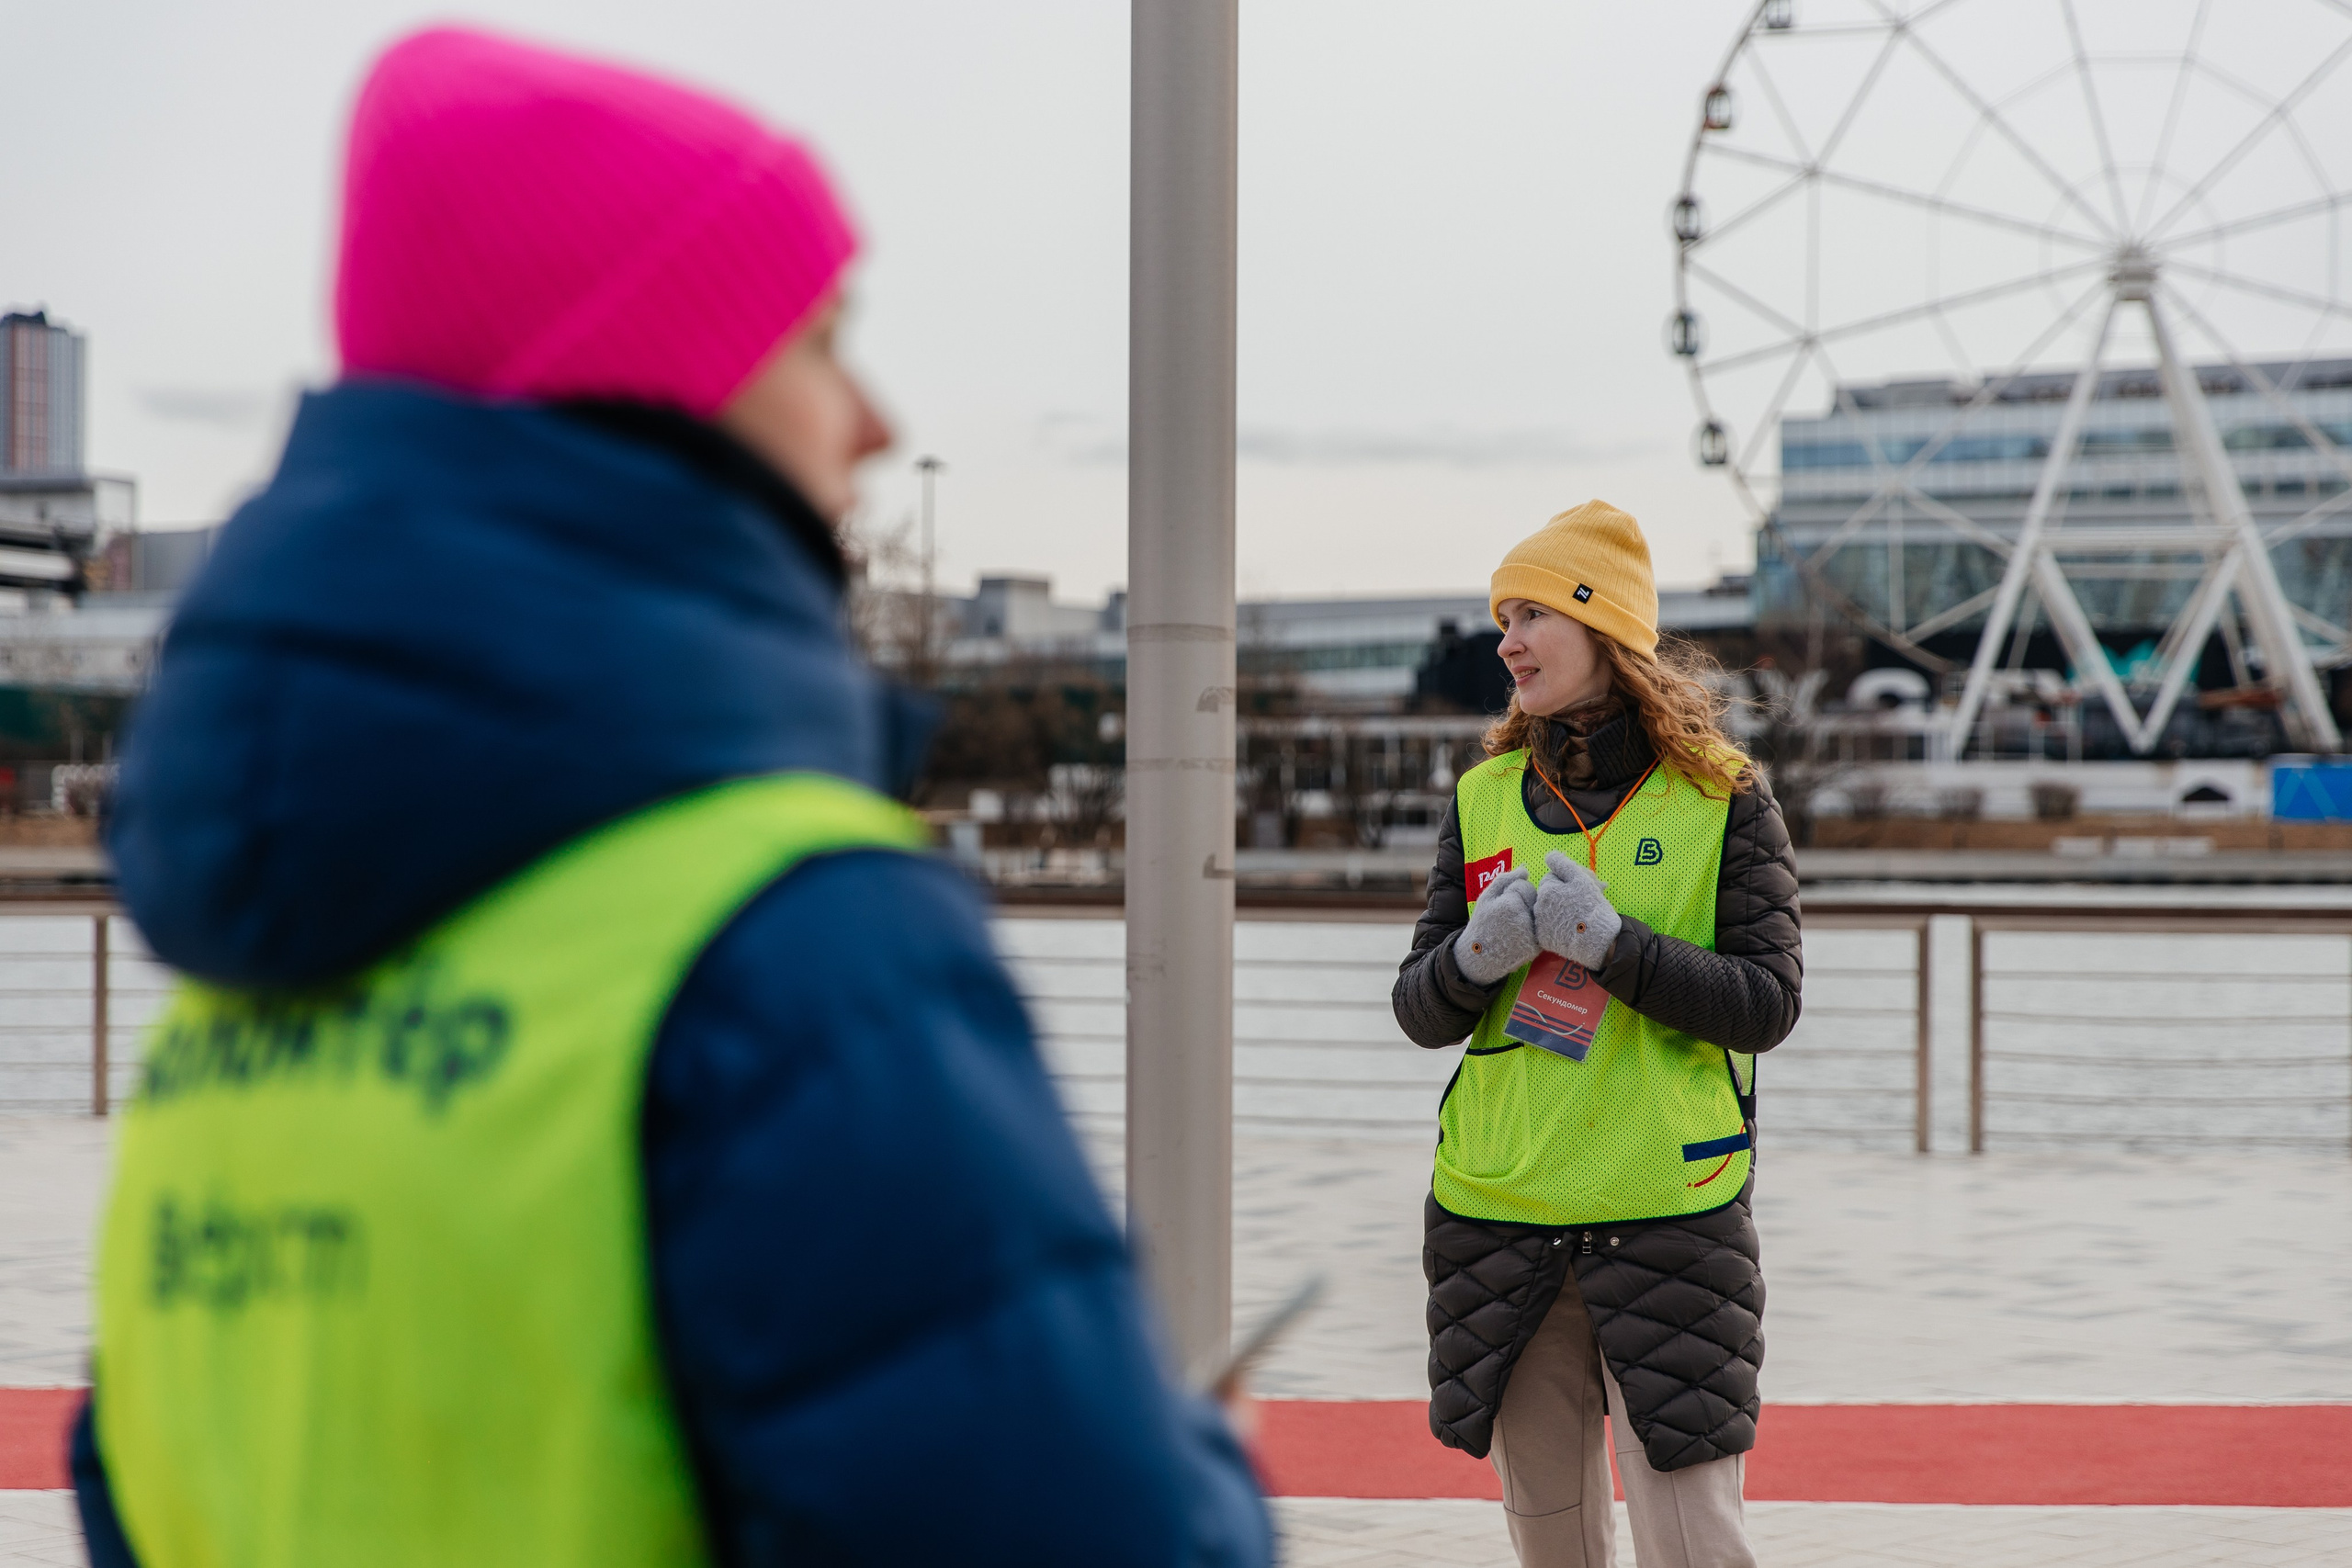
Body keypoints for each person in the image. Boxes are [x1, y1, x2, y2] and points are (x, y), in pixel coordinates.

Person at [72, 28, 1271, 1568]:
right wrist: (1196, 1477)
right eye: (822, 336)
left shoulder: (227, 1008)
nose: (876, 416)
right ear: (669, 373)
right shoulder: (796, 942)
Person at [1391, 501, 1802, 1568]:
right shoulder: (1482, 798)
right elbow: (1419, 1010)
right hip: (1498, 1210)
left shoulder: (1721, 798)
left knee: (1695, 1545)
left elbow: (1765, 1004)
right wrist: (1471, 959)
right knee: (1553, 1548)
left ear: (1604, 627)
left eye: (1532, 614)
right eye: (1504, 619)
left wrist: (1615, 949)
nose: (1507, 641)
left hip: (1668, 1211)